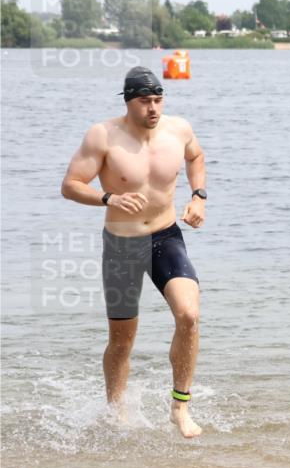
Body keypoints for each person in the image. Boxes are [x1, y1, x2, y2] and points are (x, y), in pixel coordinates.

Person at [61, 66, 207, 438]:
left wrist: (198, 197)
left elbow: (196, 157)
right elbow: (71, 185)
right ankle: (115, 411)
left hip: (166, 237)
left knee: (189, 314)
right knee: (122, 340)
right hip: (121, 245)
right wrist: (108, 197)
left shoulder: (179, 130)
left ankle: (180, 407)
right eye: (145, 102)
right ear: (129, 102)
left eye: (158, 100)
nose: (154, 108)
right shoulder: (103, 136)